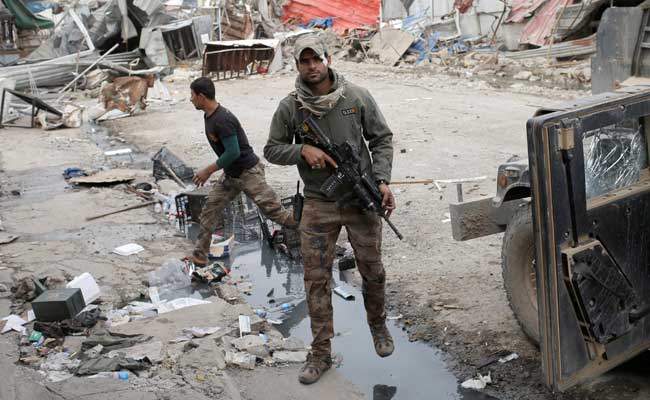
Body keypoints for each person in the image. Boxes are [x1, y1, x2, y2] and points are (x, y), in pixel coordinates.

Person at [264, 34, 396, 384]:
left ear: (328, 59)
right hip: (318, 203)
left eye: (316, 59)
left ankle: (378, 326)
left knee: (373, 271)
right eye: (304, 61)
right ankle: (320, 352)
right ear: (297, 65)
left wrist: (382, 180)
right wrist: (301, 151)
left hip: (360, 199)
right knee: (316, 280)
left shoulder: (356, 97)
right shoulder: (291, 107)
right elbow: (272, 149)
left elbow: (381, 139)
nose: (312, 66)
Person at [185, 77, 295, 266]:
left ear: (201, 96)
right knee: (210, 210)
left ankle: (313, 235)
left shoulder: (222, 119)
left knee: (276, 212)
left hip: (248, 173)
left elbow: (233, 152)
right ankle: (200, 255)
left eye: (192, 95)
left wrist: (207, 171)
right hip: (232, 174)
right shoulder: (210, 116)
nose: (190, 99)